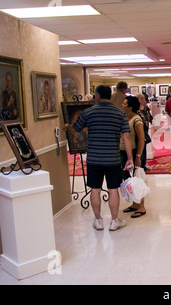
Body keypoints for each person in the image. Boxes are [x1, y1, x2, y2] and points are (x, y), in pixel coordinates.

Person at [65, 85, 134, 231]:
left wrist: (67, 127)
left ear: (97, 95)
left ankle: (98, 220)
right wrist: (130, 158)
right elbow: (126, 137)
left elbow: (75, 129)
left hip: (94, 159)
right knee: (113, 189)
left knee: (95, 189)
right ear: (109, 95)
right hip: (113, 158)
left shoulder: (88, 112)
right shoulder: (120, 113)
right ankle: (114, 221)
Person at [120, 95, 147, 218]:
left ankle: (141, 206)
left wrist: (138, 156)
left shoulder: (136, 120)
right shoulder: (125, 118)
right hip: (124, 153)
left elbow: (141, 139)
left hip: (134, 152)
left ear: (130, 107)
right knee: (128, 179)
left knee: (137, 179)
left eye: (124, 104)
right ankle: (134, 204)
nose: (122, 105)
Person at [137, 93, 153, 171]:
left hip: (145, 131)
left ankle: (143, 165)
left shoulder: (146, 108)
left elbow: (149, 117)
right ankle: (138, 165)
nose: (143, 100)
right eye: (141, 98)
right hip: (138, 131)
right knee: (139, 149)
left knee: (144, 149)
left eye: (144, 98)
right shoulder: (135, 109)